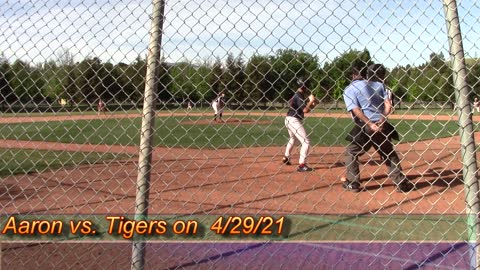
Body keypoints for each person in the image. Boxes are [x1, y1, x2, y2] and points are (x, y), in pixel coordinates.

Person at [342, 62, 414, 192]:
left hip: (365, 126)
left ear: (353, 75)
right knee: (389, 153)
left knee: (351, 152)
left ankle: (353, 183)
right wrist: (382, 119)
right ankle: (400, 183)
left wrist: (370, 124)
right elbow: (388, 106)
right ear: (366, 73)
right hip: (382, 125)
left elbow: (356, 110)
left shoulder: (350, 89)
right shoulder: (379, 85)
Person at [282, 78, 317, 172]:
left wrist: (313, 103)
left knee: (293, 139)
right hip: (294, 120)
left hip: (289, 119)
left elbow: (306, 109)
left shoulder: (299, 95)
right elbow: (305, 110)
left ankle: (286, 157)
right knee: (306, 141)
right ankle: (302, 165)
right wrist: (311, 100)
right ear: (304, 86)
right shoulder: (299, 95)